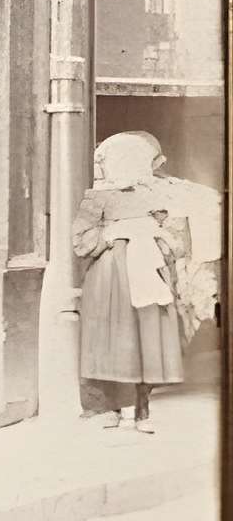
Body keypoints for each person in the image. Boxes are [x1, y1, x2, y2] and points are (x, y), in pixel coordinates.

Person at [74, 130, 188, 434]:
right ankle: (115, 409)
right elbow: (81, 242)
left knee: (148, 341)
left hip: (147, 274)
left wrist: (158, 238)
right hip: (111, 279)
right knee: (120, 343)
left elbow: (178, 238)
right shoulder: (98, 198)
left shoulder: (154, 195)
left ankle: (141, 410)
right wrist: (110, 236)